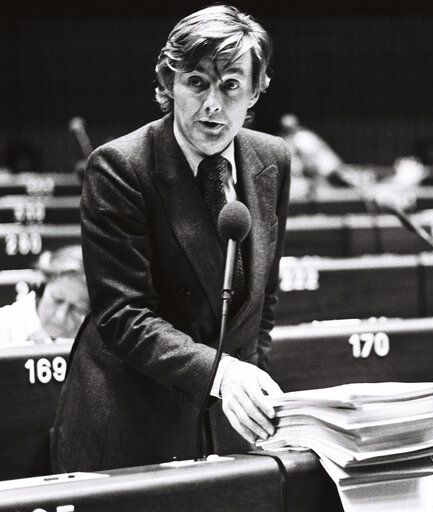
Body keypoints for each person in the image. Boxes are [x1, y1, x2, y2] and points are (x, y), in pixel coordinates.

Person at [52, 5, 291, 472]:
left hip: (229, 423)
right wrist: (222, 374)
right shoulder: (121, 166)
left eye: (231, 84)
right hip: (132, 425)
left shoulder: (272, 159)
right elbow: (123, 315)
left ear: (257, 89)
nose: (213, 105)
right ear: (168, 82)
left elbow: (263, 297)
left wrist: (249, 385)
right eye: (197, 82)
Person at [0, 245, 89, 345]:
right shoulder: (3, 325)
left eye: (77, 308)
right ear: (41, 287)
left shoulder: (92, 341)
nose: (61, 316)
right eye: (57, 299)